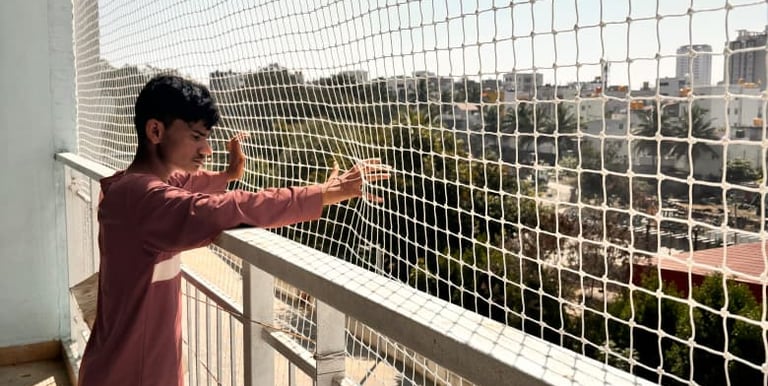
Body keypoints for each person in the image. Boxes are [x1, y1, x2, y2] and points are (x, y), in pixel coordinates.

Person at [77, 75, 389, 386]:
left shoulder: (124, 185)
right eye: (197, 136)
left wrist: (228, 174)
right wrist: (325, 193)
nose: (207, 149)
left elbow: (185, 182)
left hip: (117, 366)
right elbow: (233, 207)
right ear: (155, 130)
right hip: (134, 376)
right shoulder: (144, 200)